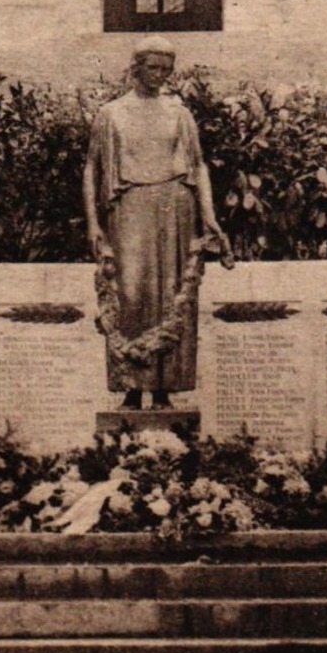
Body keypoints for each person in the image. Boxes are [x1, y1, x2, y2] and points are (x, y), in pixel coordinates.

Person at [83, 37, 227, 410]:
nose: (159, 76)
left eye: (166, 69)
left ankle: (164, 388)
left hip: (175, 206)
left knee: (171, 294)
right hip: (128, 207)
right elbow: (92, 169)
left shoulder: (179, 113)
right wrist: (93, 224)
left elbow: (198, 166)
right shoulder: (111, 114)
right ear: (136, 67)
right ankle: (131, 387)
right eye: (153, 67)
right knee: (129, 293)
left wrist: (209, 217)